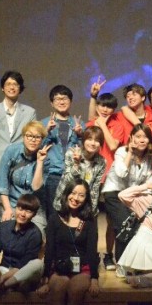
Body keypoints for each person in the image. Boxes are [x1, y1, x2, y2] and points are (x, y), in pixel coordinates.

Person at [36, 180, 99, 305]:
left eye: (81, 195)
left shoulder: (89, 221)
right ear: (66, 194)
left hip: (82, 268)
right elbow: (50, 249)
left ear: (86, 199)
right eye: (73, 193)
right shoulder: (54, 219)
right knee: (58, 288)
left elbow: (92, 251)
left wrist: (94, 278)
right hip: (59, 267)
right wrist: (46, 277)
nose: (76, 198)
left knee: (75, 290)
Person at [102, 124, 152, 270]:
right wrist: (130, 153)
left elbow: (149, 183)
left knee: (134, 225)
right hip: (114, 192)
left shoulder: (149, 158)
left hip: (132, 195)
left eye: (145, 137)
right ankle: (120, 262)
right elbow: (121, 173)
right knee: (124, 223)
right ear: (131, 138)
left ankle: (130, 261)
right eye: (138, 136)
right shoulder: (121, 151)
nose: (142, 140)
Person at [85, 88, 124, 267]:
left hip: (111, 177)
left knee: (110, 219)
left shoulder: (117, 125)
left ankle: (108, 254)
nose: (105, 109)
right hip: (92, 175)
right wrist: (97, 123)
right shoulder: (91, 123)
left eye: (109, 107)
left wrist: (103, 125)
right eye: (102, 105)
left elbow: (113, 145)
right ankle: (90, 254)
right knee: (89, 217)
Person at [0, 71, 36, 182]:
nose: (12, 87)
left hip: (20, 169)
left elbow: (33, 139)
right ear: (2, 88)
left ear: (20, 88)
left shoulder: (29, 112)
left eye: (15, 84)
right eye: (8, 84)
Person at [0, 121, 52, 234]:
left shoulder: (45, 159)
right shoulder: (12, 151)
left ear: (42, 140)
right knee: (5, 232)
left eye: (37, 137)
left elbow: (36, 187)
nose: (33, 140)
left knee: (38, 234)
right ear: (23, 136)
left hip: (34, 207)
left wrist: (40, 162)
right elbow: (2, 183)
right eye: (29, 135)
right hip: (12, 203)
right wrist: (7, 209)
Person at [40, 85, 84, 215]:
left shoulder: (79, 123)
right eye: (57, 99)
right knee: (53, 214)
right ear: (51, 103)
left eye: (64, 98)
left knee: (72, 213)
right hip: (53, 175)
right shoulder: (44, 123)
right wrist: (46, 131)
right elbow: (37, 148)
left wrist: (80, 135)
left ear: (70, 101)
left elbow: (86, 150)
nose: (61, 101)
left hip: (73, 174)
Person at [52, 126, 106, 218]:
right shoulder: (71, 153)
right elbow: (67, 181)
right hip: (65, 199)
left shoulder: (101, 161)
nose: (93, 143)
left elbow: (95, 188)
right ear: (84, 140)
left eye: (97, 140)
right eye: (89, 139)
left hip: (83, 203)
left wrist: (92, 211)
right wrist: (76, 164)